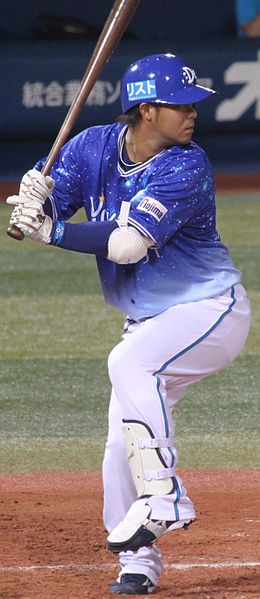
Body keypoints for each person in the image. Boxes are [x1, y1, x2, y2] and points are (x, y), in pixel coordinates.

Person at [7, 53, 251, 596]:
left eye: (193, 104)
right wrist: (36, 201)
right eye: (180, 105)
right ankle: (138, 562)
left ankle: (165, 496)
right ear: (144, 109)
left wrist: (51, 233)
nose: (193, 114)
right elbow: (60, 204)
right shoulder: (90, 145)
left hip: (209, 312)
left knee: (128, 362)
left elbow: (124, 245)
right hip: (148, 321)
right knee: (119, 445)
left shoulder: (186, 165)